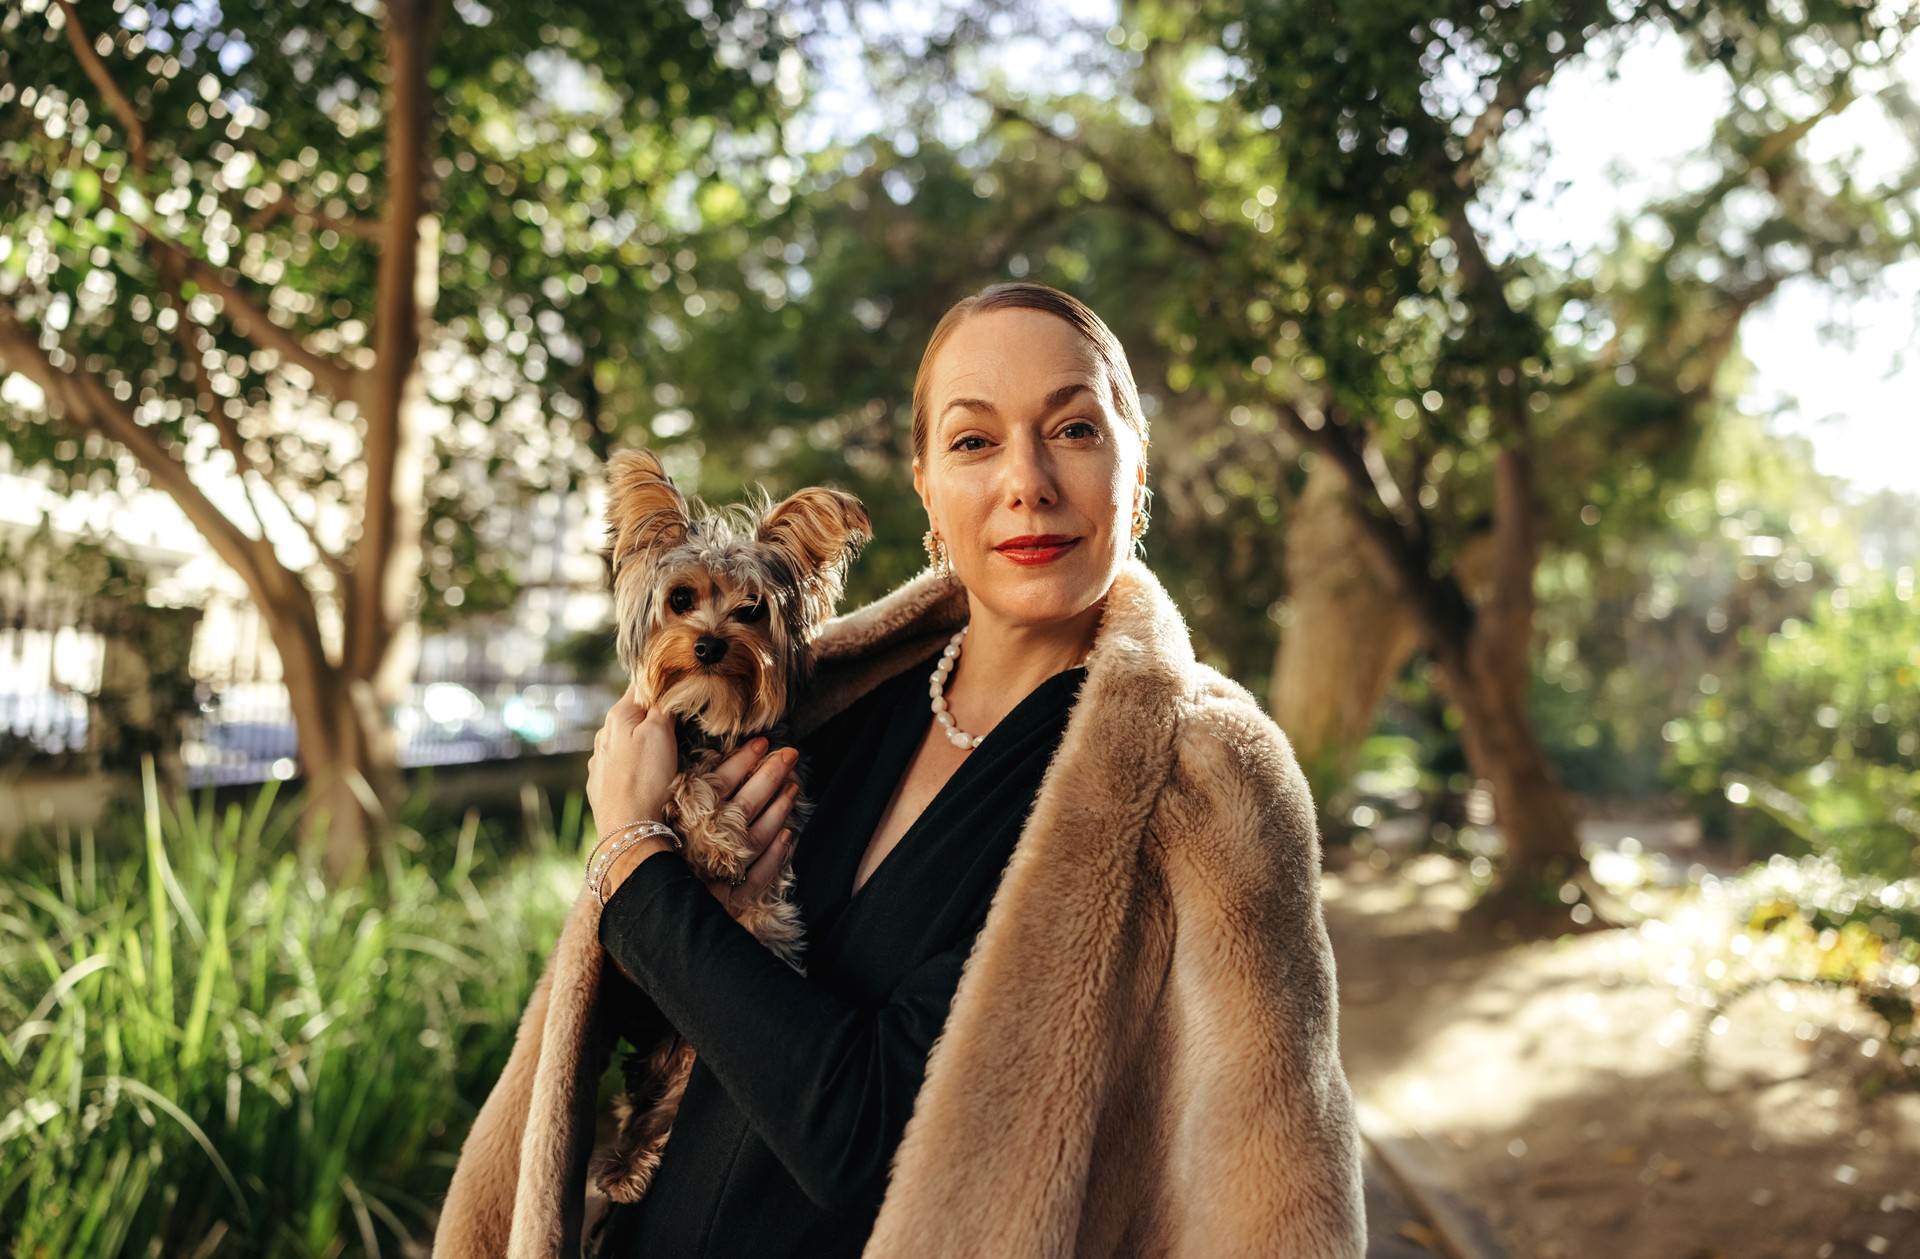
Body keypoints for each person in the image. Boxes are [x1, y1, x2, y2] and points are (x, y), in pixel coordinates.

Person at [430, 282, 1366, 1259]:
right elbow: (643, 1006)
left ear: (1136, 471)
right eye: (974, 440)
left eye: (1076, 428)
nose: (1028, 479)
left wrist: (633, 862)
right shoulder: (828, 706)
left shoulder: (1199, 783)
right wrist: (653, 889)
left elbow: (863, 1138)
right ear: (926, 484)